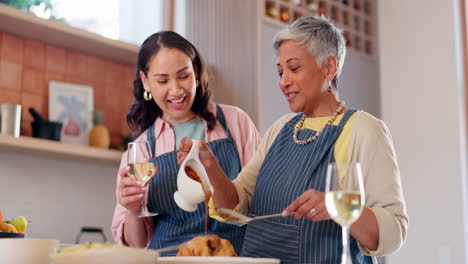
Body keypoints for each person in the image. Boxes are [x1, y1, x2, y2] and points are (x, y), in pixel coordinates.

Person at [178, 16, 408, 264]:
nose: (283, 81)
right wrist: (210, 166)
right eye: (280, 71)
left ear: (329, 68)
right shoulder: (280, 129)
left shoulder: (364, 130)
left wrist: (337, 205)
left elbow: (395, 230)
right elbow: (235, 204)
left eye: (294, 68)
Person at [111, 31, 261, 255]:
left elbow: (261, 201)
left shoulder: (235, 122)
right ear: (146, 82)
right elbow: (135, 247)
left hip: (232, 256)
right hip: (168, 258)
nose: (176, 90)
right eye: (162, 80)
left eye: (183, 76)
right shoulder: (142, 149)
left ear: (196, 72)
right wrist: (133, 211)